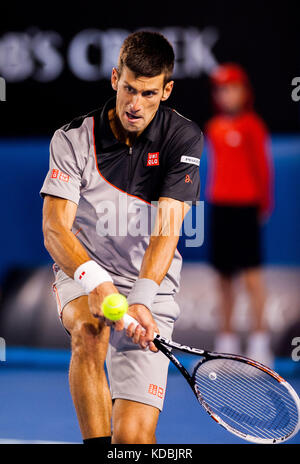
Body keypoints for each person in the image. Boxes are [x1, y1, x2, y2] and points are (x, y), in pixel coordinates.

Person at [40, 31, 203, 444]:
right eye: (129, 88)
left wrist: (142, 300)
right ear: (115, 78)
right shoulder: (73, 138)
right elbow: (55, 228)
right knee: (89, 331)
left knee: (132, 441)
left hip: (150, 283)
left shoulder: (182, 138)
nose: (135, 104)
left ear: (166, 90)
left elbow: (167, 230)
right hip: (84, 268)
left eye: (148, 93)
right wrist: (97, 282)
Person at [205, 63, 274, 366]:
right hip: (220, 207)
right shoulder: (214, 127)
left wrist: (264, 205)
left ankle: (260, 345)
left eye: (231, 87)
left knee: (251, 279)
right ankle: (226, 344)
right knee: (223, 279)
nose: (225, 94)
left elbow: (263, 169)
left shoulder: (253, 126)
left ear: (244, 91)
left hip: (246, 208)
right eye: (220, 88)